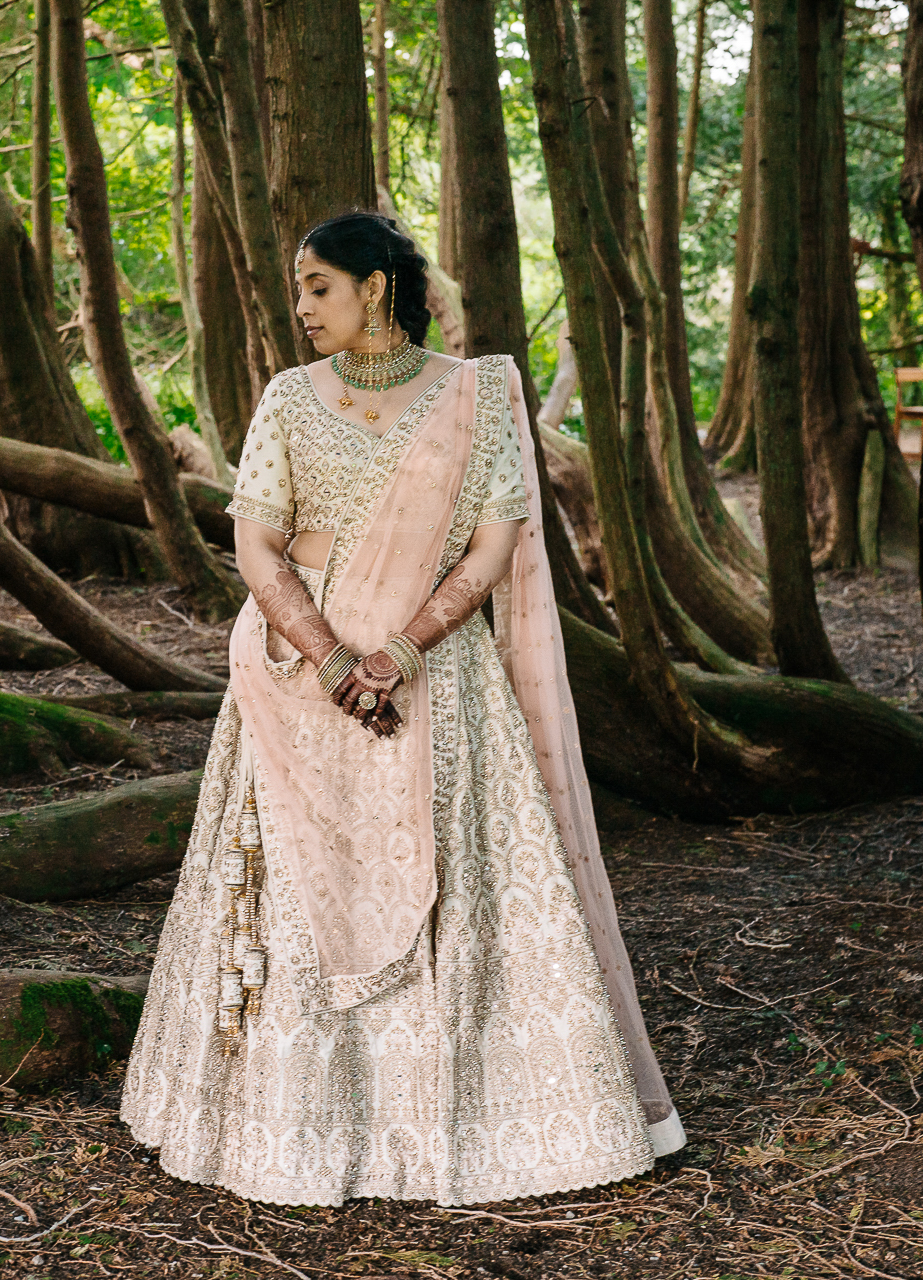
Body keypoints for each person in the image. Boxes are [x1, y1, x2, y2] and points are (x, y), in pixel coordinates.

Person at [121, 210, 684, 1207]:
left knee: (463, 887)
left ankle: (460, 1125)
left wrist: (402, 650)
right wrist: (336, 656)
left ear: (377, 286)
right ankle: (295, 1127)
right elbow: (256, 547)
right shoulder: (290, 400)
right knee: (296, 884)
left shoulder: (475, 397)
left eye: (317, 286)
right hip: (299, 676)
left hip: (440, 677)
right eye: (297, 290)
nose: (300, 309)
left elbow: (495, 543)